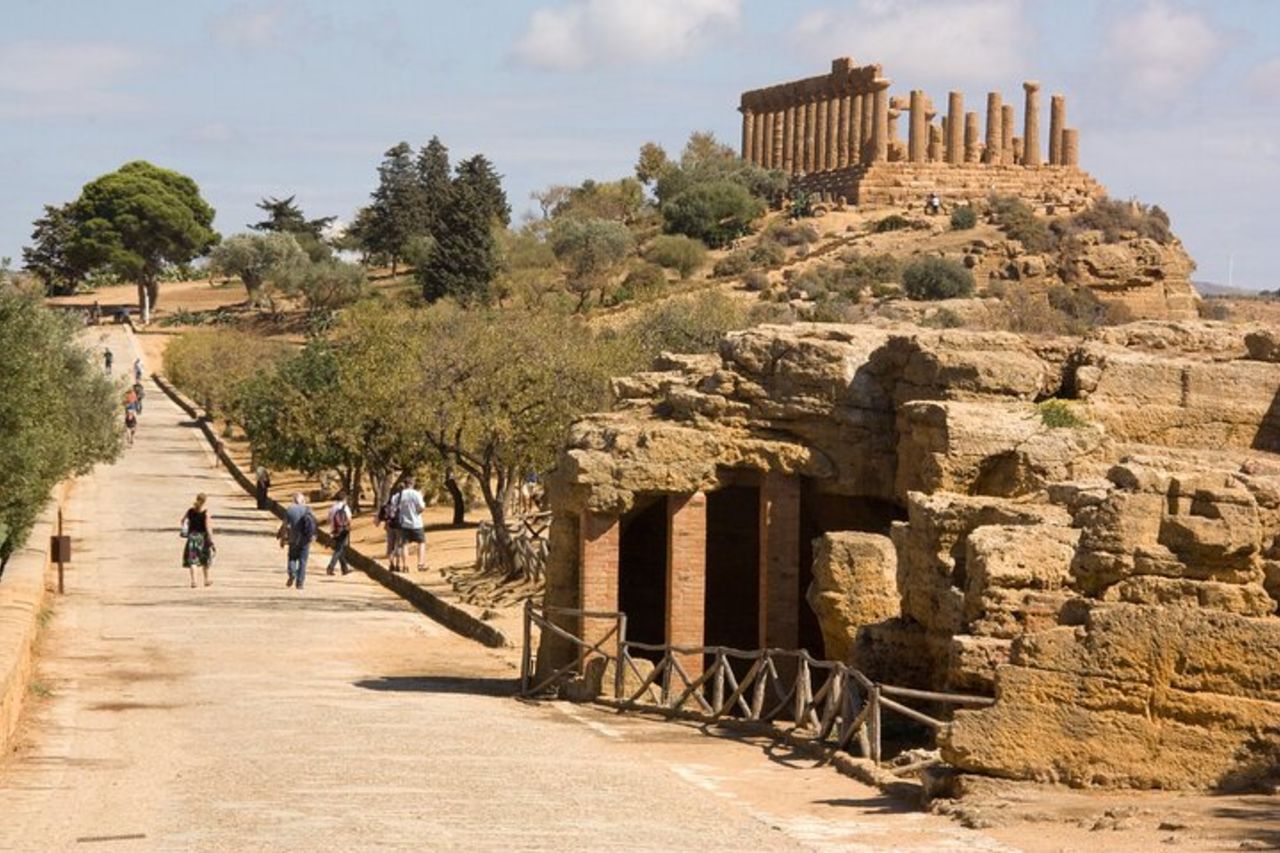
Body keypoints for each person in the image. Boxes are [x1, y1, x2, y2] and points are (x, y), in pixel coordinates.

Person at [277, 493, 318, 590]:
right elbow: (314, 524)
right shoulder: (308, 510)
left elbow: (284, 526)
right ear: (303, 501)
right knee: (303, 561)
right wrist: (313, 536)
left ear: (294, 500)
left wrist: (283, 539)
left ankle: (292, 573)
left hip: (293, 539)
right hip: (305, 540)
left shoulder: (290, 510)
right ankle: (300, 583)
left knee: (292, 558)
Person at [181, 493, 215, 588]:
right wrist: (211, 540)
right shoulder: (206, 513)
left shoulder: (190, 511)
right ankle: (206, 579)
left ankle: (194, 581)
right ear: (205, 501)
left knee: (193, 560)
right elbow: (208, 528)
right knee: (205, 558)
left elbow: (183, 520)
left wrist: (186, 528)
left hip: (192, 537)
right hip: (202, 538)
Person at [397, 475, 427, 572]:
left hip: (404, 523)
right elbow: (422, 507)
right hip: (416, 523)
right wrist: (417, 511)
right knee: (421, 543)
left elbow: (394, 506)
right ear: (412, 484)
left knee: (404, 545)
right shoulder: (416, 494)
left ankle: (405, 566)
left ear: (404, 484)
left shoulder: (400, 495)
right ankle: (420, 564)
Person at [326, 491, 353, 576]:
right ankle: (330, 567)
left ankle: (344, 569)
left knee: (340, 548)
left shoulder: (333, 507)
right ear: (344, 499)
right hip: (343, 530)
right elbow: (349, 518)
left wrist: (333, 528)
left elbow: (329, 519)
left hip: (335, 530)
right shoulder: (345, 507)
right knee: (339, 549)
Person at [376, 485, 403, 572]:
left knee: (390, 546)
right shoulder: (402, 504)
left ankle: (391, 564)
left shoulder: (386, 505)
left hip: (389, 526)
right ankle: (398, 564)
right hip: (400, 526)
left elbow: (378, 520)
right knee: (399, 545)